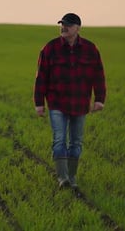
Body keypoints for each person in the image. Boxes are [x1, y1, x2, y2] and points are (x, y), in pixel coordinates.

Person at [33, 13, 106, 189]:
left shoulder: (90, 49)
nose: (63, 27)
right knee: (59, 140)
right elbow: (41, 76)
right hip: (57, 103)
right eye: (62, 24)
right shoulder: (50, 49)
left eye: (68, 25)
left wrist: (100, 99)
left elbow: (98, 75)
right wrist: (39, 103)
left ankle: (72, 178)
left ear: (78, 28)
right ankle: (62, 178)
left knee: (76, 142)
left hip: (80, 104)